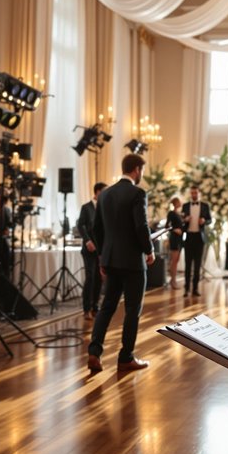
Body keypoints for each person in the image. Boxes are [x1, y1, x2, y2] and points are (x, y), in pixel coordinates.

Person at [87, 154, 155, 373]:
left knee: (106, 307)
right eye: (142, 170)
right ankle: (125, 357)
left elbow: (96, 229)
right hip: (133, 262)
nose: (142, 174)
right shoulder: (137, 193)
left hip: (110, 259)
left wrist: (102, 256)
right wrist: (149, 249)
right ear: (136, 169)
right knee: (132, 310)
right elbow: (140, 226)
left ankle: (94, 352)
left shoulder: (105, 194)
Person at [77, 182, 106, 319]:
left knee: (99, 278)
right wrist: (87, 241)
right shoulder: (86, 207)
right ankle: (86, 309)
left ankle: (95, 306)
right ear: (98, 192)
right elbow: (80, 225)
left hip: (101, 250)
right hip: (89, 249)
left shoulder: (105, 208)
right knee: (90, 278)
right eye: (104, 191)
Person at [180, 185, 211, 297]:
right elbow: (181, 221)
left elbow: (209, 220)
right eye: (192, 193)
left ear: (199, 193)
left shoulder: (205, 206)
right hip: (188, 237)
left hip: (199, 237)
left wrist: (204, 220)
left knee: (197, 264)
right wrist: (185, 220)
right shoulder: (185, 206)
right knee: (188, 264)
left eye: (196, 193)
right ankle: (186, 289)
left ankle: (195, 289)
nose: (194, 195)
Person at [166, 196, 184, 289]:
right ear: (176, 203)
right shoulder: (171, 213)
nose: (181, 202)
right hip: (174, 238)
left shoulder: (179, 214)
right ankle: (173, 281)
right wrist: (174, 230)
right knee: (174, 261)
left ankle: (173, 280)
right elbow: (167, 226)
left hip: (180, 239)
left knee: (176, 260)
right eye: (179, 201)